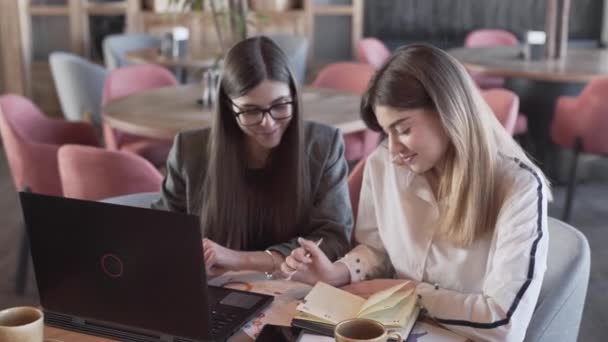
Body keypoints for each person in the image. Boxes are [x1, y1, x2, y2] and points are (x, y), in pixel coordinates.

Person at [281, 44, 550, 342]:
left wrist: (408, 293)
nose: (394, 150)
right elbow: (377, 249)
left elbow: (504, 322)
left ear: (448, 111)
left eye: (404, 129)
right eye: (387, 133)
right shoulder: (383, 164)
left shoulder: (519, 187)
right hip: (394, 328)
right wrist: (339, 272)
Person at [154, 36, 352, 277]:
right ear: (229, 107)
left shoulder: (324, 145)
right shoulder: (190, 150)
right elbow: (161, 230)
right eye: (250, 111)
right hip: (215, 290)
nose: (268, 122)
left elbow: (335, 237)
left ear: (294, 98)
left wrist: (239, 259)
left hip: (294, 290)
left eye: (280, 106)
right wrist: (191, 254)